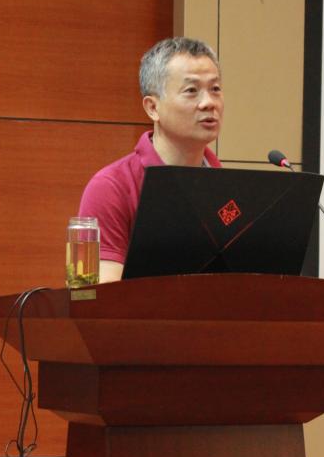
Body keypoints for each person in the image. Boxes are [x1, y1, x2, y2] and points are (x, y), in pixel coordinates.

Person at [78, 37, 223, 282]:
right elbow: (98, 294)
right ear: (152, 108)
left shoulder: (228, 186)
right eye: (191, 91)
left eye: (215, 89)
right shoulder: (111, 187)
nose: (209, 102)